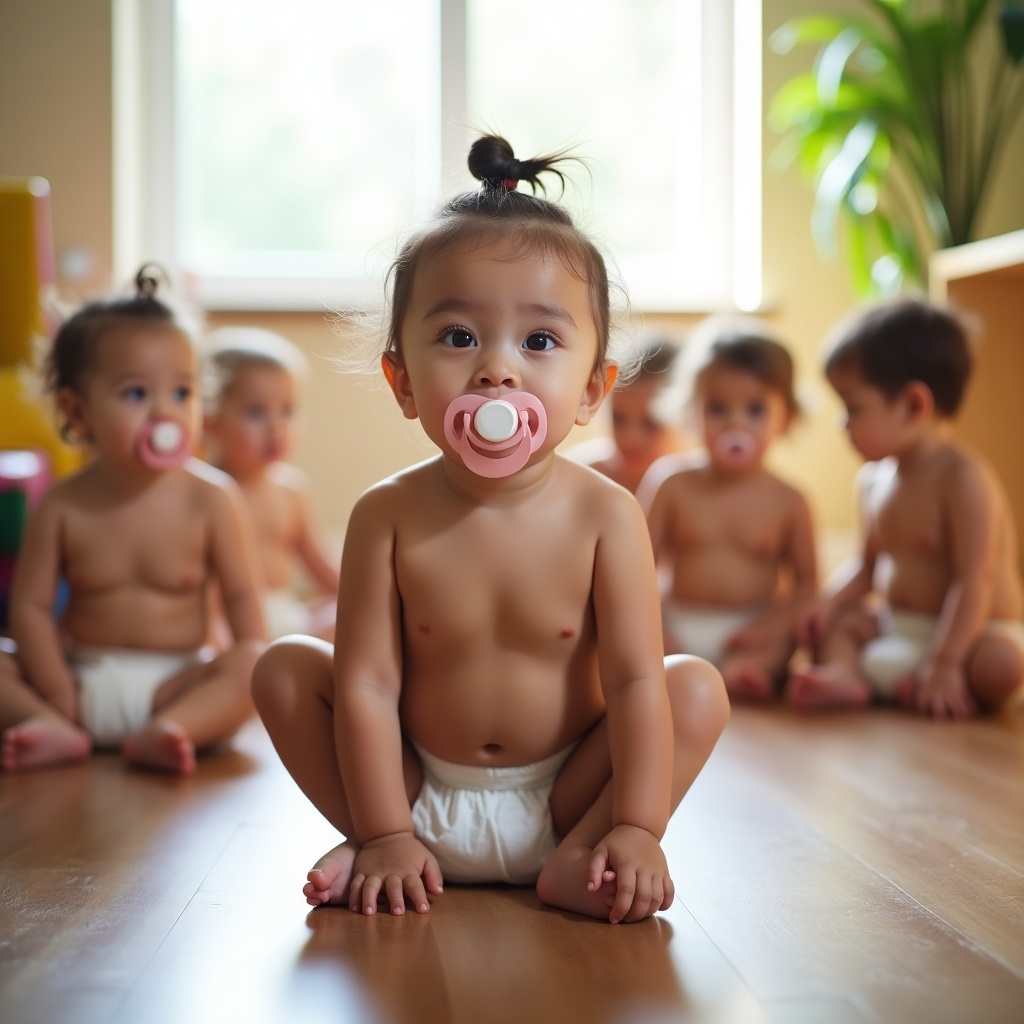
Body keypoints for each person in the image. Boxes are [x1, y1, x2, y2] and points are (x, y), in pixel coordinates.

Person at [252, 135, 729, 924]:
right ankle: (389, 850)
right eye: (459, 337)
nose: (497, 371)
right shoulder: (387, 515)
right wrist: (382, 828)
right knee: (283, 670)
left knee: (693, 688)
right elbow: (368, 686)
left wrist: (640, 826)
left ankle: (587, 855)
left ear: (591, 389)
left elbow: (640, 683)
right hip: (417, 793)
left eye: (539, 342)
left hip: (570, 795)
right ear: (401, 380)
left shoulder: (608, 513)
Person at [0, 266, 265, 774]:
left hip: (177, 684)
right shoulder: (63, 504)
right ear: (78, 414)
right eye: (137, 395)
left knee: (257, 664)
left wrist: (254, 663)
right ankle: (49, 725)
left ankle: (175, 730)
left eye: (182, 394)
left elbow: (242, 597)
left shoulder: (212, 498)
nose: (165, 414)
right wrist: (55, 686)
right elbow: (29, 608)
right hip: (77, 679)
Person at [787, 296, 1024, 717]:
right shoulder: (874, 480)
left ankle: (939, 679)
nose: (843, 424)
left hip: (973, 632)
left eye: (852, 406)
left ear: (914, 405)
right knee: (835, 626)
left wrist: (947, 660)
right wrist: (824, 604)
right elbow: (866, 566)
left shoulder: (963, 479)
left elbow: (975, 580)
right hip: (900, 628)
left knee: (1003, 665)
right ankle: (851, 677)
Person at [639, 318, 817, 700]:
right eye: (717, 408)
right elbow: (635, 565)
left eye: (755, 410)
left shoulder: (789, 500)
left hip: (750, 628)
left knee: (787, 639)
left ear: (787, 417)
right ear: (690, 412)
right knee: (627, 634)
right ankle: (676, 666)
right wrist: (655, 623)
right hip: (677, 622)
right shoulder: (671, 484)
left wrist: (772, 625)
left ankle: (746, 672)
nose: (736, 422)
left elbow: (807, 586)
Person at [202, 326, 338, 642]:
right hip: (227, 623)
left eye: (287, 410)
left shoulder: (291, 491)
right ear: (210, 419)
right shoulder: (203, 493)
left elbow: (322, 564)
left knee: (343, 617)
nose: (276, 427)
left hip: (284, 615)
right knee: (206, 640)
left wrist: (371, 600)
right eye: (255, 412)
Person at [565, 338, 688, 494]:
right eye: (618, 418)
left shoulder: (702, 485)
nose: (631, 437)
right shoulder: (580, 472)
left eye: (651, 422)